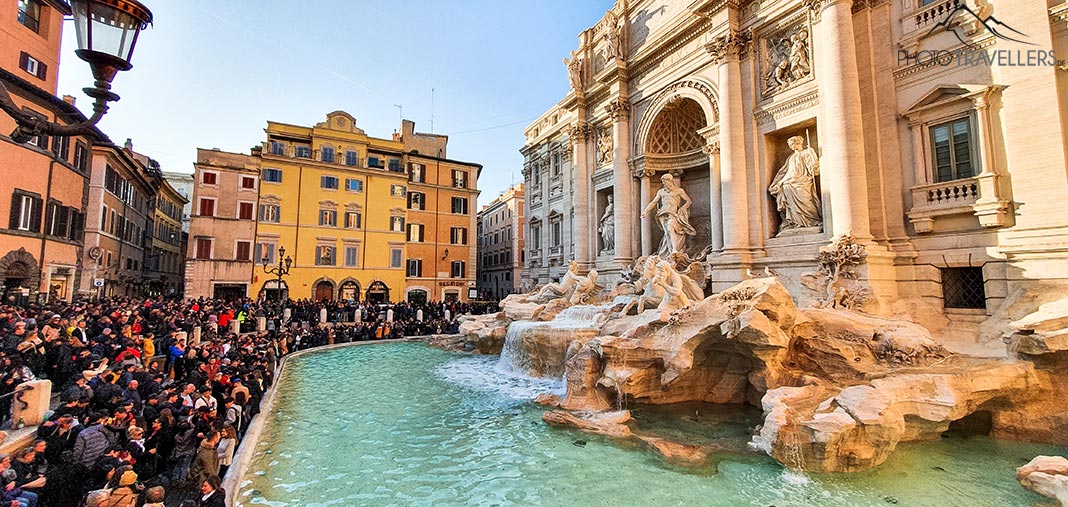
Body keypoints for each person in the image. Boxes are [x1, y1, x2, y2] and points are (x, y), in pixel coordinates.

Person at [768, 135, 821, 230]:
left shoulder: (806, 153)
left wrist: (811, 154)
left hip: (803, 181)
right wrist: (778, 182)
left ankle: (813, 220)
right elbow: (785, 171)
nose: (790, 147)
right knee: (790, 203)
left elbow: (814, 169)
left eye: (792, 144)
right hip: (789, 182)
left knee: (806, 201)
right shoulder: (791, 157)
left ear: (798, 143)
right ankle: (795, 222)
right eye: (789, 145)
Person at [640, 173, 696, 256]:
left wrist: (683, 208)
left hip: (673, 214)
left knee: (670, 227)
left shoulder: (679, 191)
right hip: (663, 214)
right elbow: (654, 202)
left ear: (670, 181)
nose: (663, 184)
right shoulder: (661, 192)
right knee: (667, 232)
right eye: (663, 182)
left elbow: (688, 201)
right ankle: (669, 250)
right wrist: (646, 211)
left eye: (665, 181)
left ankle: (674, 249)